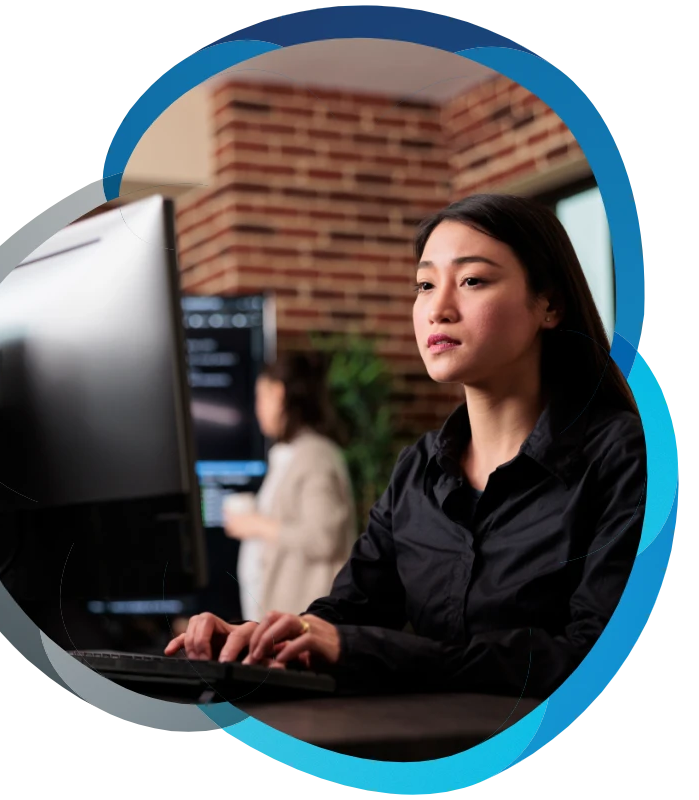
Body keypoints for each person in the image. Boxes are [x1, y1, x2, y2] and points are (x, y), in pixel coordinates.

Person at [165, 193, 646, 700]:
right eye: (424, 284)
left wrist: (373, 651)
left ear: (549, 304)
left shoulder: (622, 457)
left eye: (472, 281)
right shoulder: (419, 469)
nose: (438, 309)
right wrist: (264, 638)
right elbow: (348, 613)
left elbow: (592, 656)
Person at [222, 352, 358, 622]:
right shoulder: (292, 453)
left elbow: (322, 538)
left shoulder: (315, 456)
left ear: (278, 394)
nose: (257, 408)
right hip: (287, 619)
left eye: (260, 397)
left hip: (306, 622)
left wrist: (257, 525)